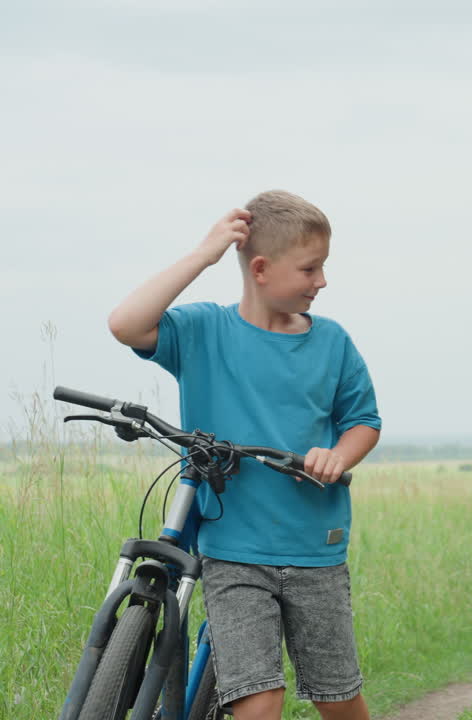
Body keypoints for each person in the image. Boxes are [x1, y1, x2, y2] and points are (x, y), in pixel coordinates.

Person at [107, 190, 381, 720]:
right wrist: (203, 255)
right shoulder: (203, 329)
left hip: (314, 550)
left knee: (337, 695)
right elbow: (126, 324)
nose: (322, 281)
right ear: (260, 268)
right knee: (258, 701)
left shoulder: (333, 342)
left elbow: (363, 422)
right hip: (233, 550)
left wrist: (338, 455)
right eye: (310, 268)